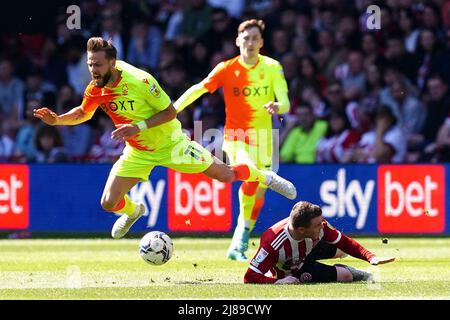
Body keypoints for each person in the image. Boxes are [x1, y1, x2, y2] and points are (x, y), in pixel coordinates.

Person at [33, 37, 296, 240]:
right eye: (90, 64)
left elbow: (170, 112)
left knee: (226, 175)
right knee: (108, 203)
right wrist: (57, 120)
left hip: (172, 145)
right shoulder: (97, 88)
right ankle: (135, 211)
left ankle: (265, 177)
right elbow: (82, 113)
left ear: (112, 62)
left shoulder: (140, 80)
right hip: (138, 151)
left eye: (98, 64)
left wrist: (139, 126)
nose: (93, 69)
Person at [174, 19, 291, 261]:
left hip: (266, 140)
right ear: (238, 41)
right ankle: (240, 234)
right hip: (236, 137)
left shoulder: (272, 67)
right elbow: (198, 89)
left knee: (256, 192)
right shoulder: (226, 69)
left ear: (261, 42)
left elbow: (287, 103)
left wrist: (277, 106)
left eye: (254, 38)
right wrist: (173, 110)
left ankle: (241, 237)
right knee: (249, 170)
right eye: (245, 38)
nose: (250, 42)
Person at [244, 201, 395, 284]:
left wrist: (370, 257)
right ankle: (349, 271)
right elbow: (249, 277)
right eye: (317, 225)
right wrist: (278, 282)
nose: (322, 226)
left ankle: (342, 263)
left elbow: (344, 242)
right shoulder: (273, 244)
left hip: (308, 248)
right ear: (302, 229)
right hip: (294, 268)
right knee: (345, 276)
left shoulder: (319, 226)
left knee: (341, 249)